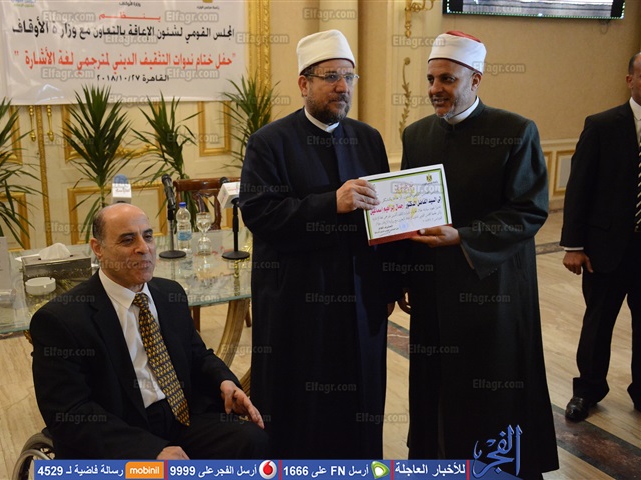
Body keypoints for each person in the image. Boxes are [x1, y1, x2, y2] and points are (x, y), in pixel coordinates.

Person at [399, 31, 558, 478]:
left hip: (492, 291)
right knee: (435, 388)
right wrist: (405, 278)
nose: (435, 89)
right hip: (433, 291)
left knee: (490, 393)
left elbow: (529, 210)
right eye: (431, 79)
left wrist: (463, 237)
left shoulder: (516, 131)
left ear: (475, 79)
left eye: (447, 79)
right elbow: (410, 212)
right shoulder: (417, 135)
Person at [239, 29, 393, 459]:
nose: (343, 87)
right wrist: (331, 204)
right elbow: (260, 214)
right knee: (303, 409)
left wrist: (390, 282)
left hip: (359, 299)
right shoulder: (269, 142)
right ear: (304, 84)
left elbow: (385, 216)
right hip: (298, 303)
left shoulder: (368, 138)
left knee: (360, 402)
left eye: (349, 77)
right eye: (331, 77)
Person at [30, 203, 267, 459]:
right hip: (119, 432)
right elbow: (70, 412)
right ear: (98, 248)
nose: (144, 248)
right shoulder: (61, 320)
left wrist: (224, 381)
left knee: (253, 441)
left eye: (148, 236)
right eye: (127, 240)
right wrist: (149, 451)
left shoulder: (169, 294)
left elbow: (197, 354)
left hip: (182, 415)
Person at [561, 52, 641, 421]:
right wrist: (574, 246)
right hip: (605, 249)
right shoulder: (602, 125)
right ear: (630, 79)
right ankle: (587, 391)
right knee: (598, 324)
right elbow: (578, 187)